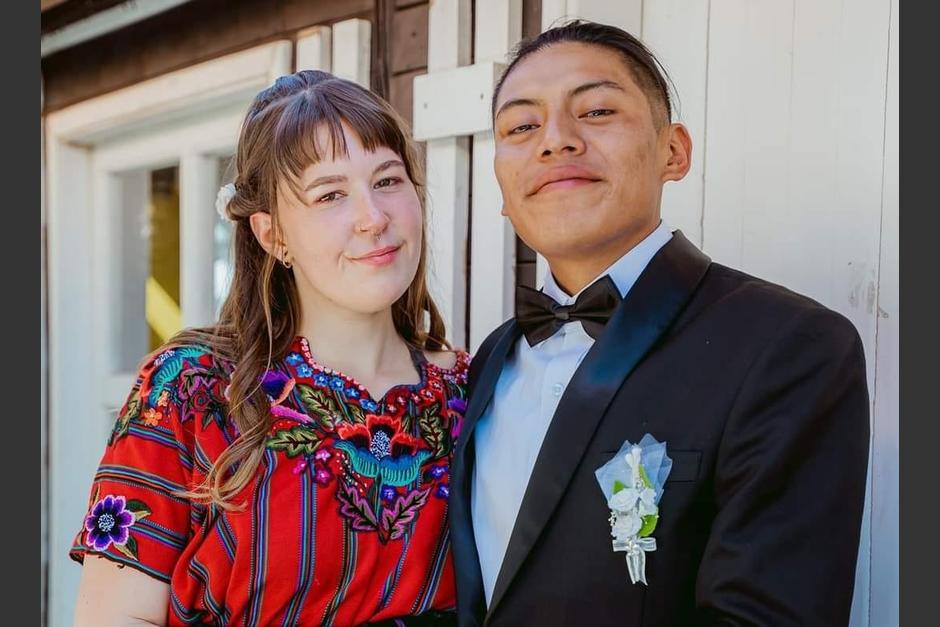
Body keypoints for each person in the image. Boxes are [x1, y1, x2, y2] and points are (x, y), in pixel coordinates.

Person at [450, 20, 870, 626]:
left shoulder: (789, 346)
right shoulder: (490, 358)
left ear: (673, 152)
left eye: (596, 111)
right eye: (521, 127)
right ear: (501, 183)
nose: (555, 140)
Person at [71, 70, 467, 626]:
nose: (373, 218)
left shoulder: (469, 392)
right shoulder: (191, 390)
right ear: (272, 234)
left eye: (387, 180)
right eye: (330, 194)